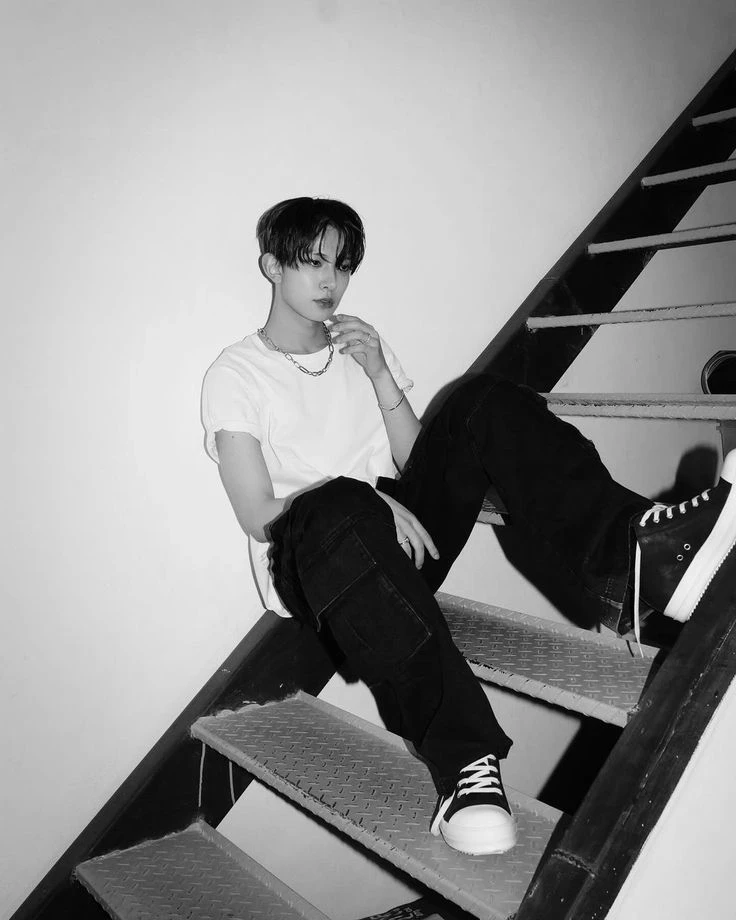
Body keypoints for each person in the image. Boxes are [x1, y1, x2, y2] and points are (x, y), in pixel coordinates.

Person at [201, 196, 736, 856]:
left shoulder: (358, 347)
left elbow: (412, 460)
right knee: (341, 506)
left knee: (483, 400)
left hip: (401, 539)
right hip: (315, 560)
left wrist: (379, 375)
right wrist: (362, 500)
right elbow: (257, 513)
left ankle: (636, 560)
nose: (329, 281)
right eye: (312, 262)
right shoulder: (235, 373)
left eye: (341, 266)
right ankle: (464, 767)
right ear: (271, 266)